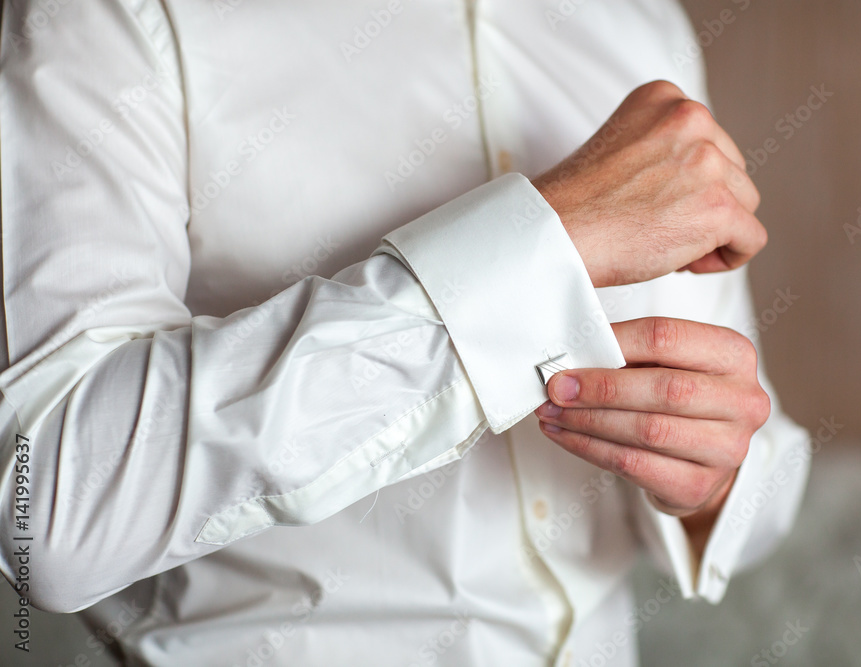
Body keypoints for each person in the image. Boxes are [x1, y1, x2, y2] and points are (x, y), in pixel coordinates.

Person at [0, 1, 810, 665]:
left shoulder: (640, 28)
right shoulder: (108, 18)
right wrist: (543, 242)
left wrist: (708, 485)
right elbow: (46, 511)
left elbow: (755, 457)